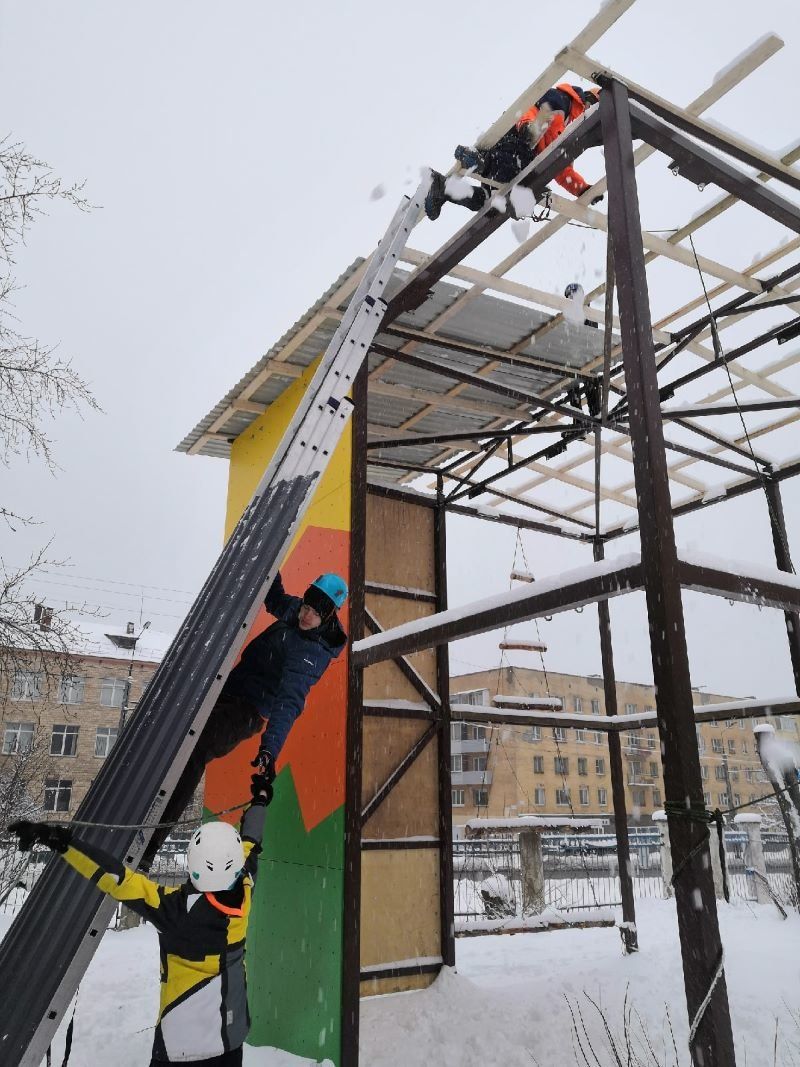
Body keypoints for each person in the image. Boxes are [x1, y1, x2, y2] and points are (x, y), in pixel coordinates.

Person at [9, 771, 271, 1067]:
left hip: (181, 1047)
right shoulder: (244, 887)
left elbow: (116, 878)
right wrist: (261, 798)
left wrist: (60, 842)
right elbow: (250, 841)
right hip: (230, 1039)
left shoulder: (175, 911)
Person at [141, 571, 348, 864]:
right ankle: (140, 795)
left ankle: (147, 849)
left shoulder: (311, 654)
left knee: (197, 749)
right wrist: (270, 560)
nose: (305, 615)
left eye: (315, 613)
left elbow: (288, 705)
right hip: (227, 689)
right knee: (176, 724)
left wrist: (269, 750)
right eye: (305, 606)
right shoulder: (296, 611)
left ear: (328, 615)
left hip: (247, 711)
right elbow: (275, 598)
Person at [424, 84, 603, 221]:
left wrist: (583, 189)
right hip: (513, 142)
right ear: (587, 101)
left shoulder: (565, 129)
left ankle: (445, 187)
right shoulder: (561, 99)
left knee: (489, 202)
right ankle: (478, 160)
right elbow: (533, 107)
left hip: (513, 156)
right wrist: (526, 125)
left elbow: (562, 168)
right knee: (518, 168)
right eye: (592, 106)